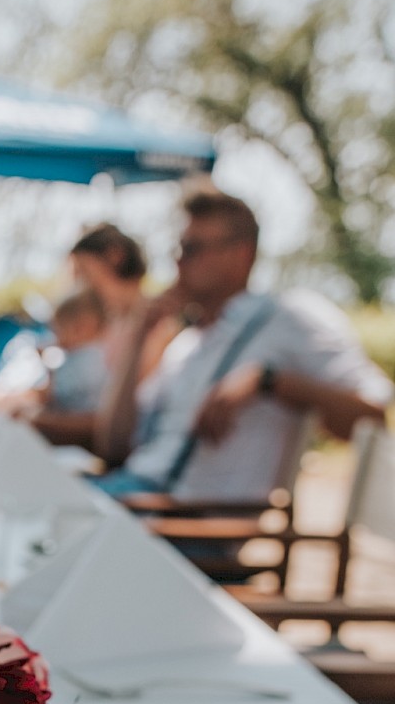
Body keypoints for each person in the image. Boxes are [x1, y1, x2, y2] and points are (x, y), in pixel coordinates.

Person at [93, 186, 392, 501]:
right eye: (178, 249)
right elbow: (113, 445)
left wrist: (269, 381)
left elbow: (371, 416)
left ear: (241, 254)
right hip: (136, 498)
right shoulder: (189, 341)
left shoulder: (288, 317)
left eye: (191, 249)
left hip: (187, 526)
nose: (179, 263)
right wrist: (140, 336)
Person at [70, 222, 176, 387]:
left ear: (115, 256)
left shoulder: (158, 322)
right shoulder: (105, 322)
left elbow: (135, 397)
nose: (78, 280)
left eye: (84, 269)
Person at [28, 289, 109, 446]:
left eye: (59, 330)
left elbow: (51, 398)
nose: (56, 337)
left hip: (82, 433)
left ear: (82, 326)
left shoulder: (89, 358)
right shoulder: (81, 356)